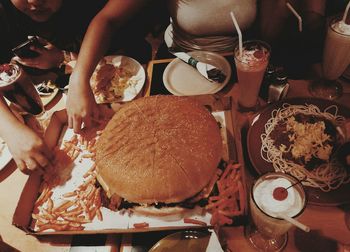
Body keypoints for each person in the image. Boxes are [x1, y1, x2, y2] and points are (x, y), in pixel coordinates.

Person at [66, 0, 257, 132]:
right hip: (178, 63)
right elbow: (108, 19)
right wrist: (78, 80)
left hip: (242, 65)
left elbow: (268, 34)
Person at [0, 0, 105, 174]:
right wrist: (8, 128)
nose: (34, 1)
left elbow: (107, 21)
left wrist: (65, 60)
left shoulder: (88, 7)